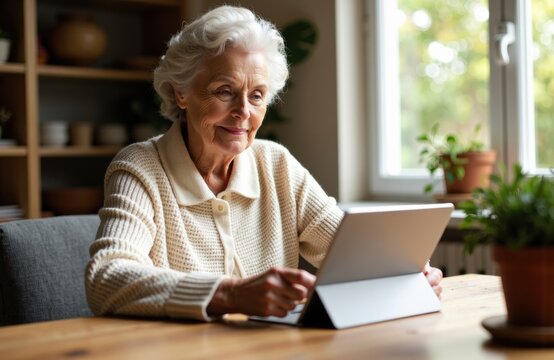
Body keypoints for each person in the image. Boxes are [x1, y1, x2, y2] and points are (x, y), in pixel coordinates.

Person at [85, 5, 443, 322]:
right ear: (182, 92)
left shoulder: (276, 164)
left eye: (257, 95)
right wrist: (230, 294)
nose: (243, 112)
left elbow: (345, 249)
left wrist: (405, 272)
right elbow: (106, 277)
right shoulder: (141, 167)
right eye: (225, 91)